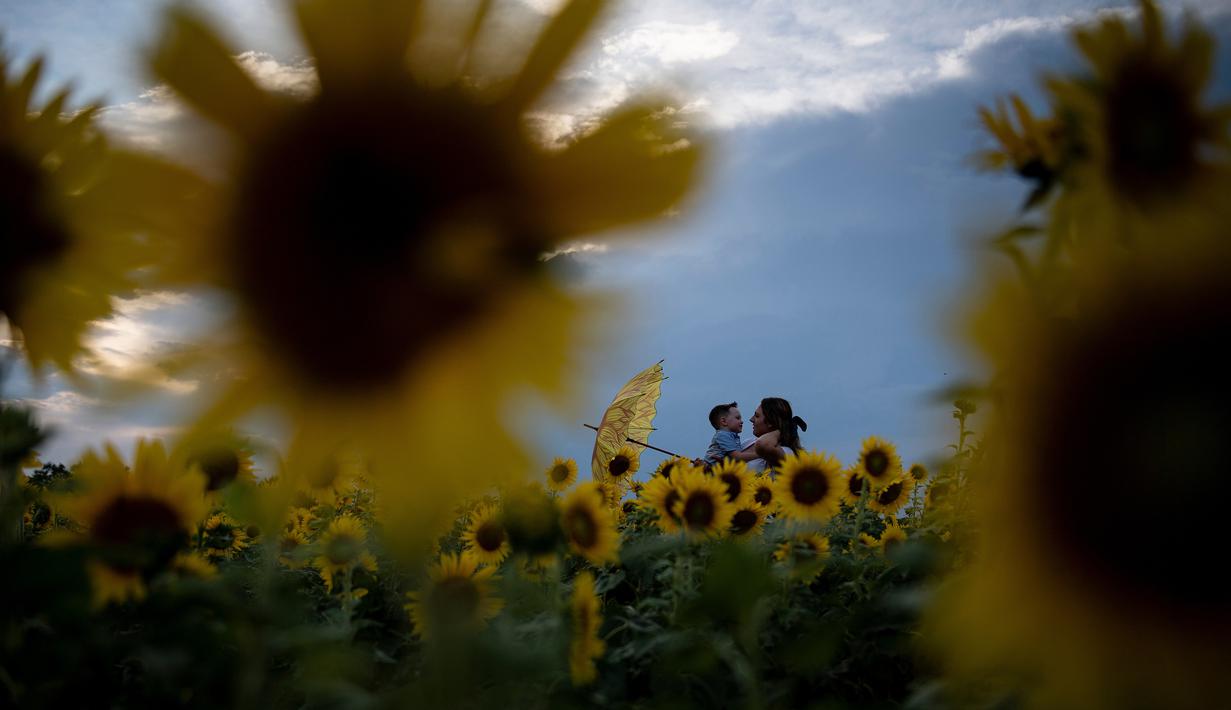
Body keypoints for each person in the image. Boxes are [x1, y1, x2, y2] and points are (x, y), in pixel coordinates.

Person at [741, 397, 807, 474]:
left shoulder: (787, 453)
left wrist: (784, 428)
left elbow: (763, 445)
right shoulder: (748, 443)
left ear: (770, 422)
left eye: (757, 416)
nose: (751, 419)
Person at [701, 401, 744, 465]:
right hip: (709, 470)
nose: (742, 421)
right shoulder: (722, 435)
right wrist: (758, 454)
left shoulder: (730, 436)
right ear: (724, 421)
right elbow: (737, 457)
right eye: (737, 418)